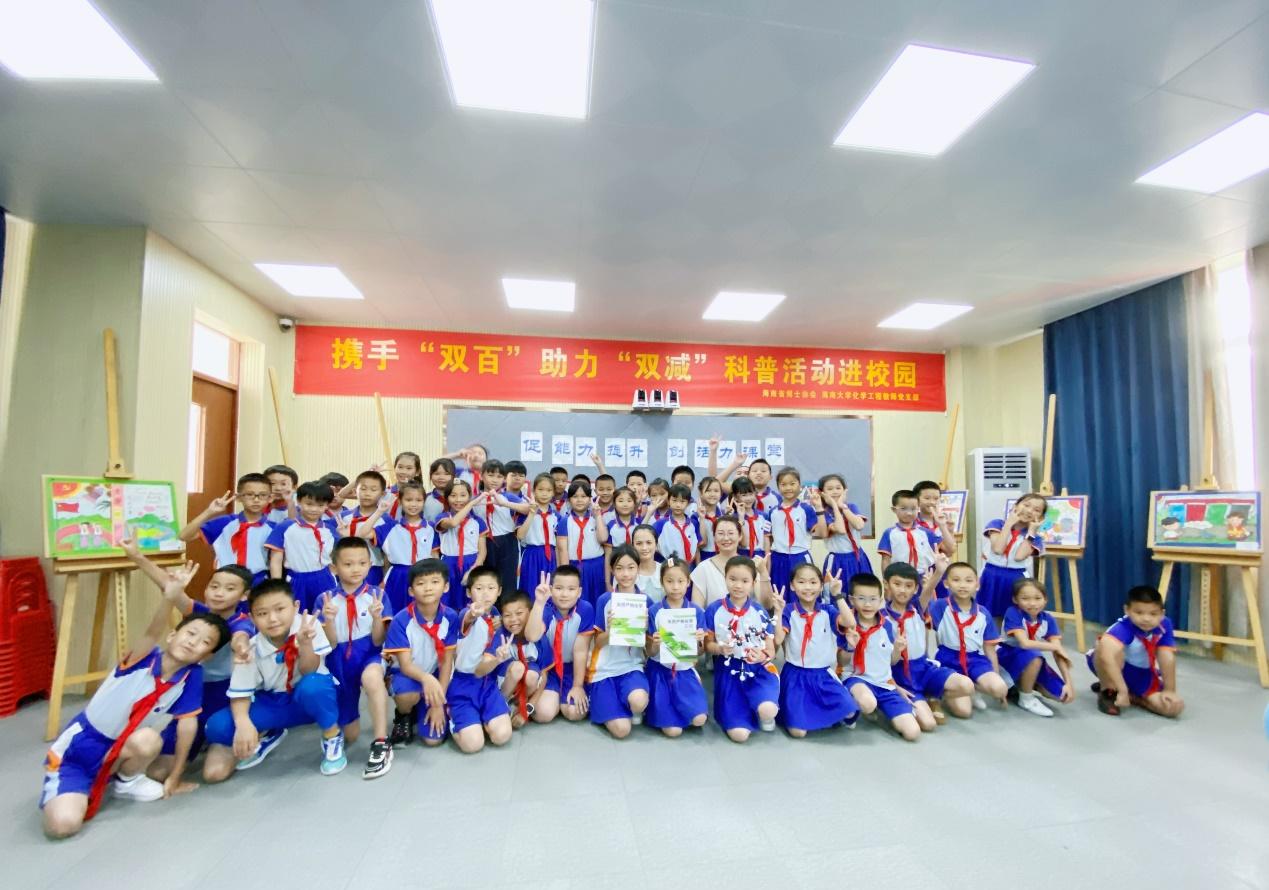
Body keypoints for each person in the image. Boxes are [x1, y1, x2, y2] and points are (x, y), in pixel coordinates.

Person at [40, 607, 229, 839]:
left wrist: (176, 775)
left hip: (122, 748)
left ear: (207, 656)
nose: (193, 642)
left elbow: (187, 726)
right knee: (63, 826)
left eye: (204, 642)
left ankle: (126, 781)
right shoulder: (143, 658)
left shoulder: (192, 675)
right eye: (190, 633)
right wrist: (169, 599)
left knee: (149, 739)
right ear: (172, 635)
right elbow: (151, 633)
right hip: (79, 753)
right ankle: (67, 785)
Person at [121, 541, 257, 761]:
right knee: (159, 770)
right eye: (214, 586)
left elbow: (240, 636)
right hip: (194, 688)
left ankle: (239, 733)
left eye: (230, 589)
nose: (219, 593)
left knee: (215, 772)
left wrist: (241, 647)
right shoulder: (200, 613)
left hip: (225, 693)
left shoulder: (242, 622)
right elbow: (171, 589)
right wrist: (137, 556)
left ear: (244, 595)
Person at [202, 580, 346, 781]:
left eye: (280, 609)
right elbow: (240, 692)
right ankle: (269, 732)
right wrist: (244, 725)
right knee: (217, 726)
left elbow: (309, 670)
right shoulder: (251, 648)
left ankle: (332, 735)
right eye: (262, 613)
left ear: (295, 606)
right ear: (252, 617)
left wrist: (305, 644)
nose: (273, 619)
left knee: (313, 686)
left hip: (307, 698)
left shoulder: (308, 626)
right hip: (274, 701)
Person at [316, 538, 392, 777]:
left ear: (370, 564)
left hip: (368, 653)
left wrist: (377, 618)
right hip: (338, 659)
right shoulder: (325, 600)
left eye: (362, 563)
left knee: (372, 679)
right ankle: (336, 732)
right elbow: (330, 644)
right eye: (348, 564)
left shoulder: (378, 595)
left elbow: (378, 641)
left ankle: (381, 741)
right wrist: (328, 621)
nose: (356, 569)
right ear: (334, 567)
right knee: (351, 734)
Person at [882, 560, 974, 725]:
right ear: (886, 584)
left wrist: (939, 571)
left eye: (908, 586)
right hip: (900, 673)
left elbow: (929, 589)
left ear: (915, 589)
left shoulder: (917, 608)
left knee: (966, 686)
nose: (903, 590)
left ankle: (933, 696)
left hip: (923, 667)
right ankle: (916, 702)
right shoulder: (881, 618)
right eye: (897, 584)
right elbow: (884, 660)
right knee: (928, 724)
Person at [774, 563, 859, 737]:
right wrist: (778, 611)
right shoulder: (788, 610)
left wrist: (837, 595)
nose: (807, 587)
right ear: (792, 585)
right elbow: (778, 639)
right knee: (798, 733)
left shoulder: (828, 610)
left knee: (850, 711)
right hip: (795, 676)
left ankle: (823, 713)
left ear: (821, 586)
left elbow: (850, 622)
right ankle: (810, 715)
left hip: (823, 675)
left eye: (813, 582)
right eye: (801, 582)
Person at [383, 558, 459, 747]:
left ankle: (426, 704)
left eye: (435, 582)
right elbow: (406, 665)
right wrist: (427, 679)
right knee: (406, 695)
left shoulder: (451, 617)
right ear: (411, 591)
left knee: (433, 740)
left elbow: (447, 662)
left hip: (435, 673)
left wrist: (437, 703)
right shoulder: (401, 620)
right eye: (421, 583)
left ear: (446, 586)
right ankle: (404, 715)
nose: (428, 588)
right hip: (408, 674)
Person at [703, 555, 779, 743]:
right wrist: (719, 649)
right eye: (733, 579)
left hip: (758, 670)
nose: (738, 585)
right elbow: (707, 645)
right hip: (729, 671)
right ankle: (745, 712)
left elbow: (771, 650)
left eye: (745, 581)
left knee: (768, 710)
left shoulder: (759, 611)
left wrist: (762, 655)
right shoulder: (714, 609)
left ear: (753, 583)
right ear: (725, 578)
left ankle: (763, 711)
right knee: (739, 735)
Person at [841, 573, 921, 741]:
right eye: (861, 598)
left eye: (873, 599)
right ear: (851, 600)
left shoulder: (887, 626)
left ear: (881, 601)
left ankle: (882, 709)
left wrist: (897, 650)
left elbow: (891, 661)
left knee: (913, 732)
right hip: (856, 679)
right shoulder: (847, 625)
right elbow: (840, 662)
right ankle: (849, 708)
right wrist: (851, 647)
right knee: (868, 703)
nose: (867, 604)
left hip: (884, 683)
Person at [586, 546, 652, 738]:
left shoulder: (646, 602)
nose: (625, 574)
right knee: (622, 730)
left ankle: (629, 704)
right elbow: (598, 642)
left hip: (632, 667)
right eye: (619, 568)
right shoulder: (605, 600)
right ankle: (605, 702)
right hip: (605, 670)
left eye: (631, 568)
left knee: (638, 701)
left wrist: (645, 631)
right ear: (612, 570)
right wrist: (611, 631)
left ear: (638, 569)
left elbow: (650, 650)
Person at [1088, 585, 1184, 718]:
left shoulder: (1164, 624)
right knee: (1102, 645)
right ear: (1127, 610)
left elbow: (1166, 656)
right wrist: (1122, 690)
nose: (1146, 619)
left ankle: (1134, 697)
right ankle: (1108, 690)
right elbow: (1106, 657)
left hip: (1141, 674)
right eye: (1139, 613)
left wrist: (1170, 690)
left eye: (1153, 614)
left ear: (1162, 614)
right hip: (1113, 667)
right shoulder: (1122, 628)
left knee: (1172, 708)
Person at [447, 567, 514, 752]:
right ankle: (451, 715)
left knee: (502, 736)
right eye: (479, 588)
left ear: (499, 591)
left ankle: (479, 720)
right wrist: (473, 614)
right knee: (473, 745)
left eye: (491, 588)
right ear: (469, 592)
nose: (485, 593)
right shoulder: (466, 614)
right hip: (461, 685)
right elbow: (468, 618)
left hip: (487, 683)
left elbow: (482, 669)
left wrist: (497, 659)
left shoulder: (498, 618)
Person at [928, 562, 1009, 710]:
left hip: (975, 659)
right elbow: (920, 607)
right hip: (948, 658)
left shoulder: (983, 613)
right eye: (956, 580)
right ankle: (944, 692)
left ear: (977, 585)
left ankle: (972, 688)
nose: (962, 585)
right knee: (964, 712)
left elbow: (989, 648)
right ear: (946, 583)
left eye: (968, 580)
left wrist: (995, 674)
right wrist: (930, 583)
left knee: (1000, 688)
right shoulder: (940, 607)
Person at [645, 558, 709, 737]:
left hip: (685, 670)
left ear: (688, 582)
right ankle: (666, 710)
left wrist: (699, 642)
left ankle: (680, 707)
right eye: (669, 581)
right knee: (673, 731)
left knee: (699, 719)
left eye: (681, 581)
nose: (675, 587)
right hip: (660, 670)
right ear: (662, 582)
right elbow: (649, 652)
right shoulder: (655, 611)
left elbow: (699, 653)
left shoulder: (696, 612)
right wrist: (655, 643)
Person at [525, 566, 595, 724]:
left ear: (579, 592)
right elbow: (531, 636)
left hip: (571, 667)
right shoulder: (545, 609)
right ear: (551, 589)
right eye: (558, 588)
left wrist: (578, 686)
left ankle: (561, 699)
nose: (564, 594)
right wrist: (539, 603)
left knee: (574, 713)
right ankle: (551, 699)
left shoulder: (585, 609)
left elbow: (581, 651)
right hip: (548, 669)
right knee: (543, 714)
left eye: (571, 589)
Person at [996, 578, 1074, 717]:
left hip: (1029, 658)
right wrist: (1055, 646)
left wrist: (1069, 683)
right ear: (1015, 600)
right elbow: (1025, 643)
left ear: (1045, 600)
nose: (1032, 603)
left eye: (1038, 598)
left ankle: (1026, 683)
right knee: (1034, 655)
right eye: (1025, 598)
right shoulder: (1013, 612)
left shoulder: (1048, 619)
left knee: (1062, 695)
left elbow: (1059, 652)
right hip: (1006, 656)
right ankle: (1026, 699)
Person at [179, 472, 274, 583]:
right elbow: (184, 536)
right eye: (249, 494)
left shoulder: (273, 528)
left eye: (262, 495)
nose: (256, 500)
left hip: (260, 582)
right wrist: (209, 512)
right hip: (225, 580)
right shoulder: (224, 523)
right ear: (238, 497)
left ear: (270, 498)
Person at [265, 480, 338, 611]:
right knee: (295, 615)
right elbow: (276, 560)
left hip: (325, 578)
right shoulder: (285, 527)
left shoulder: (330, 529)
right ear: (299, 501)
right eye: (309, 504)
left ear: (327, 506)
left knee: (325, 614)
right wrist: (277, 586)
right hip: (296, 580)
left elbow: (339, 557)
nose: (314, 509)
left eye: (320, 505)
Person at [978, 493, 1046, 616]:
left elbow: (1019, 556)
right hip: (990, 574)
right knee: (985, 613)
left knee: (1014, 615)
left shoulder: (1036, 538)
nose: (1029, 511)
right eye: (1026, 505)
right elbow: (998, 549)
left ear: (1040, 518)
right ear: (1015, 506)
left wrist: (1031, 531)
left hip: (1017, 578)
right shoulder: (997, 524)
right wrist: (1009, 523)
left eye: (1036, 510)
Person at [377, 481, 437, 614]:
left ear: (424, 502)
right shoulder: (391, 527)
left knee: (423, 613)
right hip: (398, 576)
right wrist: (379, 512)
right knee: (395, 613)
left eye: (418, 500)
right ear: (400, 501)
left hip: (424, 575)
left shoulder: (431, 528)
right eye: (408, 500)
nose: (413, 504)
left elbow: (435, 557)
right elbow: (362, 533)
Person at [495, 590, 548, 728]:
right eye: (507, 615)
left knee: (532, 675)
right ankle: (499, 704)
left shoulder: (539, 637)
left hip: (527, 687)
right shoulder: (500, 635)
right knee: (517, 668)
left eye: (519, 613)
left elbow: (544, 674)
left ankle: (518, 705)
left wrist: (526, 710)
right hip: (503, 685)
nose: (513, 619)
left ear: (530, 613)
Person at [765, 467, 821, 598]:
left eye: (792, 483)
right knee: (779, 593)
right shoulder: (772, 512)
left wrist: (819, 508)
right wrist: (768, 561)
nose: (788, 488)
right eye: (783, 484)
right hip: (778, 558)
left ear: (799, 485)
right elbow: (767, 538)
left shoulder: (806, 509)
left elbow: (818, 532)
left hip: (800, 556)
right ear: (778, 487)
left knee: (803, 593)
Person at [435, 479, 488, 611]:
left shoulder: (477, 521)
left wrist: (473, 570)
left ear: (469, 496)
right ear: (447, 498)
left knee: (471, 603)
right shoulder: (442, 517)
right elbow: (453, 523)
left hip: (472, 563)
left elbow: (482, 552)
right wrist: (471, 504)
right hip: (448, 565)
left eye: (463, 495)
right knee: (447, 603)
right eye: (453, 495)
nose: (458, 499)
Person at [555, 480, 608, 606]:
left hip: (596, 566)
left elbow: (603, 539)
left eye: (583, 496)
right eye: (575, 496)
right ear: (569, 500)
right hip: (574, 566)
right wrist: (566, 573)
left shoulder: (596, 518)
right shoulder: (564, 522)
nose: (579, 500)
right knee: (577, 602)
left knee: (597, 600)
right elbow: (562, 550)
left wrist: (598, 516)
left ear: (590, 499)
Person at [339, 469, 391, 587]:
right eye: (363, 489)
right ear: (355, 491)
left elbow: (387, 554)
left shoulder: (386, 520)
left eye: (373, 490)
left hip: (374, 569)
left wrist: (384, 578)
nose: (367, 493)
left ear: (382, 494)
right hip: (346, 568)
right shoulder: (343, 517)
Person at [479, 459, 523, 597]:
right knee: (486, 581)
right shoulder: (476, 498)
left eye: (499, 476)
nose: (495, 480)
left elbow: (529, 508)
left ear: (504, 479)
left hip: (507, 542)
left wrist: (505, 504)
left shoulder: (507, 496)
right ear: (481, 475)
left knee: (507, 581)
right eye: (491, 475)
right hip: (483, 542)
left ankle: (506, 608)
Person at [817, 473, 871, 580]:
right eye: (830, 489)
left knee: (862, 588)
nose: (835, 491)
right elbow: (841, 530)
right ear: (822, 493)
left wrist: (842, 506)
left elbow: (859, 525)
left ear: (844, 490)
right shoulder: (824, 513)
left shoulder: (851, 507)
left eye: (838, 488)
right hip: (837, 560)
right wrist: (834, 505)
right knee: (838, 589)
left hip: (858, 556)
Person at [515, 472, 559, 596]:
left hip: (550, 555)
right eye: (540, 489)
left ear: (553, 493)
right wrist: (532, 514)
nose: (544, 493)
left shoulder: (556, 516)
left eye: (549, 490)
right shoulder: (525, 512)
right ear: (534, 491)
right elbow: (520, 536)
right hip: (531, 555)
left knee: (550, 589)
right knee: (530, 588)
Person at [877, 489, 937, 575]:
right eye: (903, 509)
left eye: (913, 509)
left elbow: (937, 555)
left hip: (925, 576)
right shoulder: (889, 533)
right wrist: (886, 579)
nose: (909, 513)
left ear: (918, 509)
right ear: (894, 509)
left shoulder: (926, 533)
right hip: (899, 576)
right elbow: (886, 559)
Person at [691, 515, 744, 607]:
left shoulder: (750, 566)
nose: (726, 538)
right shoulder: (703, 568)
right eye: (720, 533)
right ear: (714, 537)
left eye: (731, 533)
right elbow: (697, 608)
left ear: (740, 536)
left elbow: (766, 604)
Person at [653, 483, 701, 564]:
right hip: (668, 564)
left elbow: (697, 546)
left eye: (682, 501)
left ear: (688, 503)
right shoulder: (661, 523)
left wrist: (698, 566)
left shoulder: (694, 523)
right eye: (674, 500)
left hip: (689, 566)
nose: (678, 505)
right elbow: (649, 539)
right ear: (668, 501)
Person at [731, 477, 769, 560]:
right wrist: (741, 518)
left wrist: (767, 562)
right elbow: (742, 543)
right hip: (740, 555)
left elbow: (766, 543)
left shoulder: (764, 516)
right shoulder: (733, 518)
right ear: (735, 497)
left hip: (760, 555)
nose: (748, 498)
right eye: (744, 495)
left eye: (751, 494)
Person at [693, 475, 725, 560]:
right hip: (704, 557)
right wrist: (702, 519)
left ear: (721, 494)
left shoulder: (724, 515)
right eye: (708, 490)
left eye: (716, 491)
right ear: (701, 493)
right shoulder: (695, 517)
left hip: (723, 556)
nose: (712, 494)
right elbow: (702, 543)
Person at [630, 524, 665, 603]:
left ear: (656, 545)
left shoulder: (665, 570)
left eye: (649, 543)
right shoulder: (626, 572)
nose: (644, 548)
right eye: (639, 543)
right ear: (633, 546)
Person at [424, 458, 456, 523]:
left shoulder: (460, 498)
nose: (441, 477)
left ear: (454, 476)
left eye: (446, 474)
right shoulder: (424, 499)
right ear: (430, 476)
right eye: (436, 474)